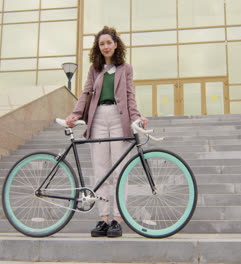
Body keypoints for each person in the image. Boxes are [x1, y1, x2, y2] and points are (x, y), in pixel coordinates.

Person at [65, 26, 148, 238]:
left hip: (119, 119)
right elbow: (85, 94)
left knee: (120, 170)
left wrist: (137, 117)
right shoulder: (95, 69)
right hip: (99, 119)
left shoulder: (125, 69)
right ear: (98, 48)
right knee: (101, 170)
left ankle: (117, 219)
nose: (105, 47)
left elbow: (130, 96)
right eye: (102, 44)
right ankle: (102, 219)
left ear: (116, 44)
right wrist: (75, 114)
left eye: (108, 43)